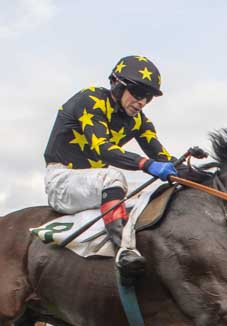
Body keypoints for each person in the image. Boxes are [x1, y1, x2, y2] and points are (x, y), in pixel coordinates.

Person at [43, 54, 178, 282]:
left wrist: (193, 170)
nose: (142, 102)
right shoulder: (90, 100)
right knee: (113, 177)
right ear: (116, 84)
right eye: (137, 93)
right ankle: (123, 251)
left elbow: (162, 156)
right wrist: (146, 164)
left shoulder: (139, 121)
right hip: (62, 179)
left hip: (93, 183)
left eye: (148, 98)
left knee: (154, 190)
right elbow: (103, 149)